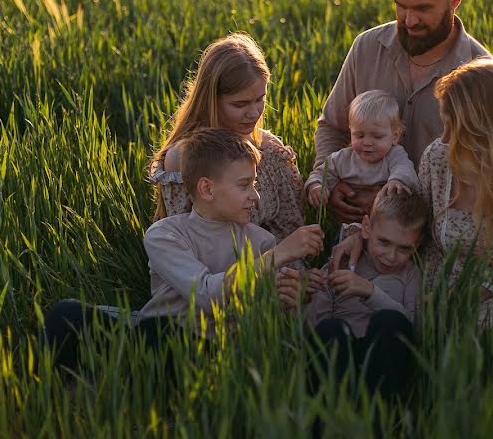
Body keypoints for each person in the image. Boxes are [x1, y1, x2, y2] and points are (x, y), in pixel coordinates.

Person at [43, 128, 324, 372]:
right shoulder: (166, 234)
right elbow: (204, 295)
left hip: (217, 353)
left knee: (169, 339)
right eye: (244, 185)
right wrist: (279, 255)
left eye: (254, 184)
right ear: (207, 189)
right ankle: (75, 388)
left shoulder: (261, 242)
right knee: (67, 314)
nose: (255, 195)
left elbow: (261, 317)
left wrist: (288, 298)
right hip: (159, 336)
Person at [334, 59, 493, 326]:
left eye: (456, 129)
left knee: (483, 325)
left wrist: (465, 293)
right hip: (427, 291)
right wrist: (359, 234)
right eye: (444, 125)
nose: (443, 139)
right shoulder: (439, 158)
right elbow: (408, 219)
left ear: (490, 131)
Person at [314, 0, 490, 224]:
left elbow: (487, 178)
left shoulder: (482, 74)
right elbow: (331, 128)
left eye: (422, 9)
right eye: (401, 6)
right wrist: (329, 183)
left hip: (437, 238)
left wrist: (393, 203)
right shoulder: (367, 48)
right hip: (358, 228)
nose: (409, 20)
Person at [150, 32, 306, 242]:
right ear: (211, 100)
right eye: (239, 104)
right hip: (215, 269)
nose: (254, 113)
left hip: (279, 261)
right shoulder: (184, 157)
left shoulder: (269, 149)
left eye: (260, 99)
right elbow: (185, 239)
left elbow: (290, 227)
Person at [277, 191, 428, 400]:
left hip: (382, 360)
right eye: (383, 242)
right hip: (339, 359)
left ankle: (381, 416)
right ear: (366, 228)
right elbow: (311, 333)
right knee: (331, 329)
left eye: (404, 249)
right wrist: (303, 300)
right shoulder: (341, 263)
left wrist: (369, 291)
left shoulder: (410, 274)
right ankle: (330, 414)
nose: (391, 256)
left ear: (417, 246)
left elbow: (414, 328)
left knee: (390, 320)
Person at [305, 90, 418, 209]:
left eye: (377, 137)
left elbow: (405, 169)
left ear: (395, 136)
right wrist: (315, 185)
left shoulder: (394, 155)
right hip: (350, 217)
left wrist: (396, 181)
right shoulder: (343, 158)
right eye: (359, 135)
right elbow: (321, 173)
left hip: (386, 219)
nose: (367, 143)